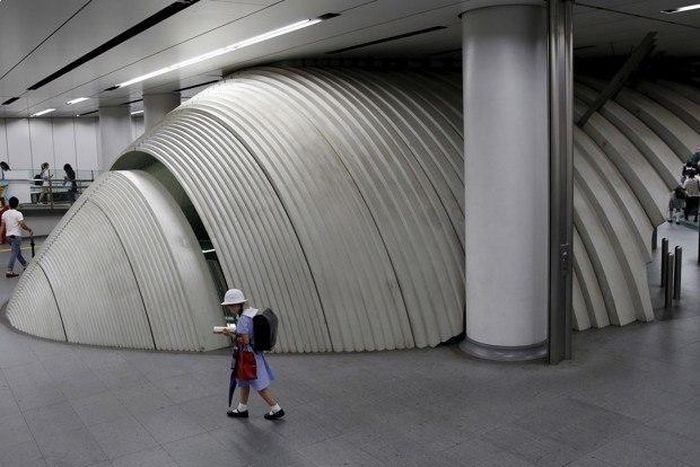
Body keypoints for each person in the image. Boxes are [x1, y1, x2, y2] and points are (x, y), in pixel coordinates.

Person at [219, 288, 285, 420]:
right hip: (253, 353)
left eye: (230, 306)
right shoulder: (251, 312)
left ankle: (276, 408)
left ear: (237, 305)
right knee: (243, 380)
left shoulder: (243, 319)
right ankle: (242, 408)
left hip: (248, 356)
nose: (230, 309)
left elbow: (244, 340)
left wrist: (230, 334)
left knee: (258, 383)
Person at [1, 196, 32, 278]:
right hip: (16, 237)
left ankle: (25, 264)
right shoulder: (18, 214)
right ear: (17, 205)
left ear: (9, 204)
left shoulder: (4, 214)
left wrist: (0, 236)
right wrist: (29, 229)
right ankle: (9, 271)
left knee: (17, 252)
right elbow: (22, 225)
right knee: (14, 253)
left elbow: (2, 227)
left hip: (8, 237)